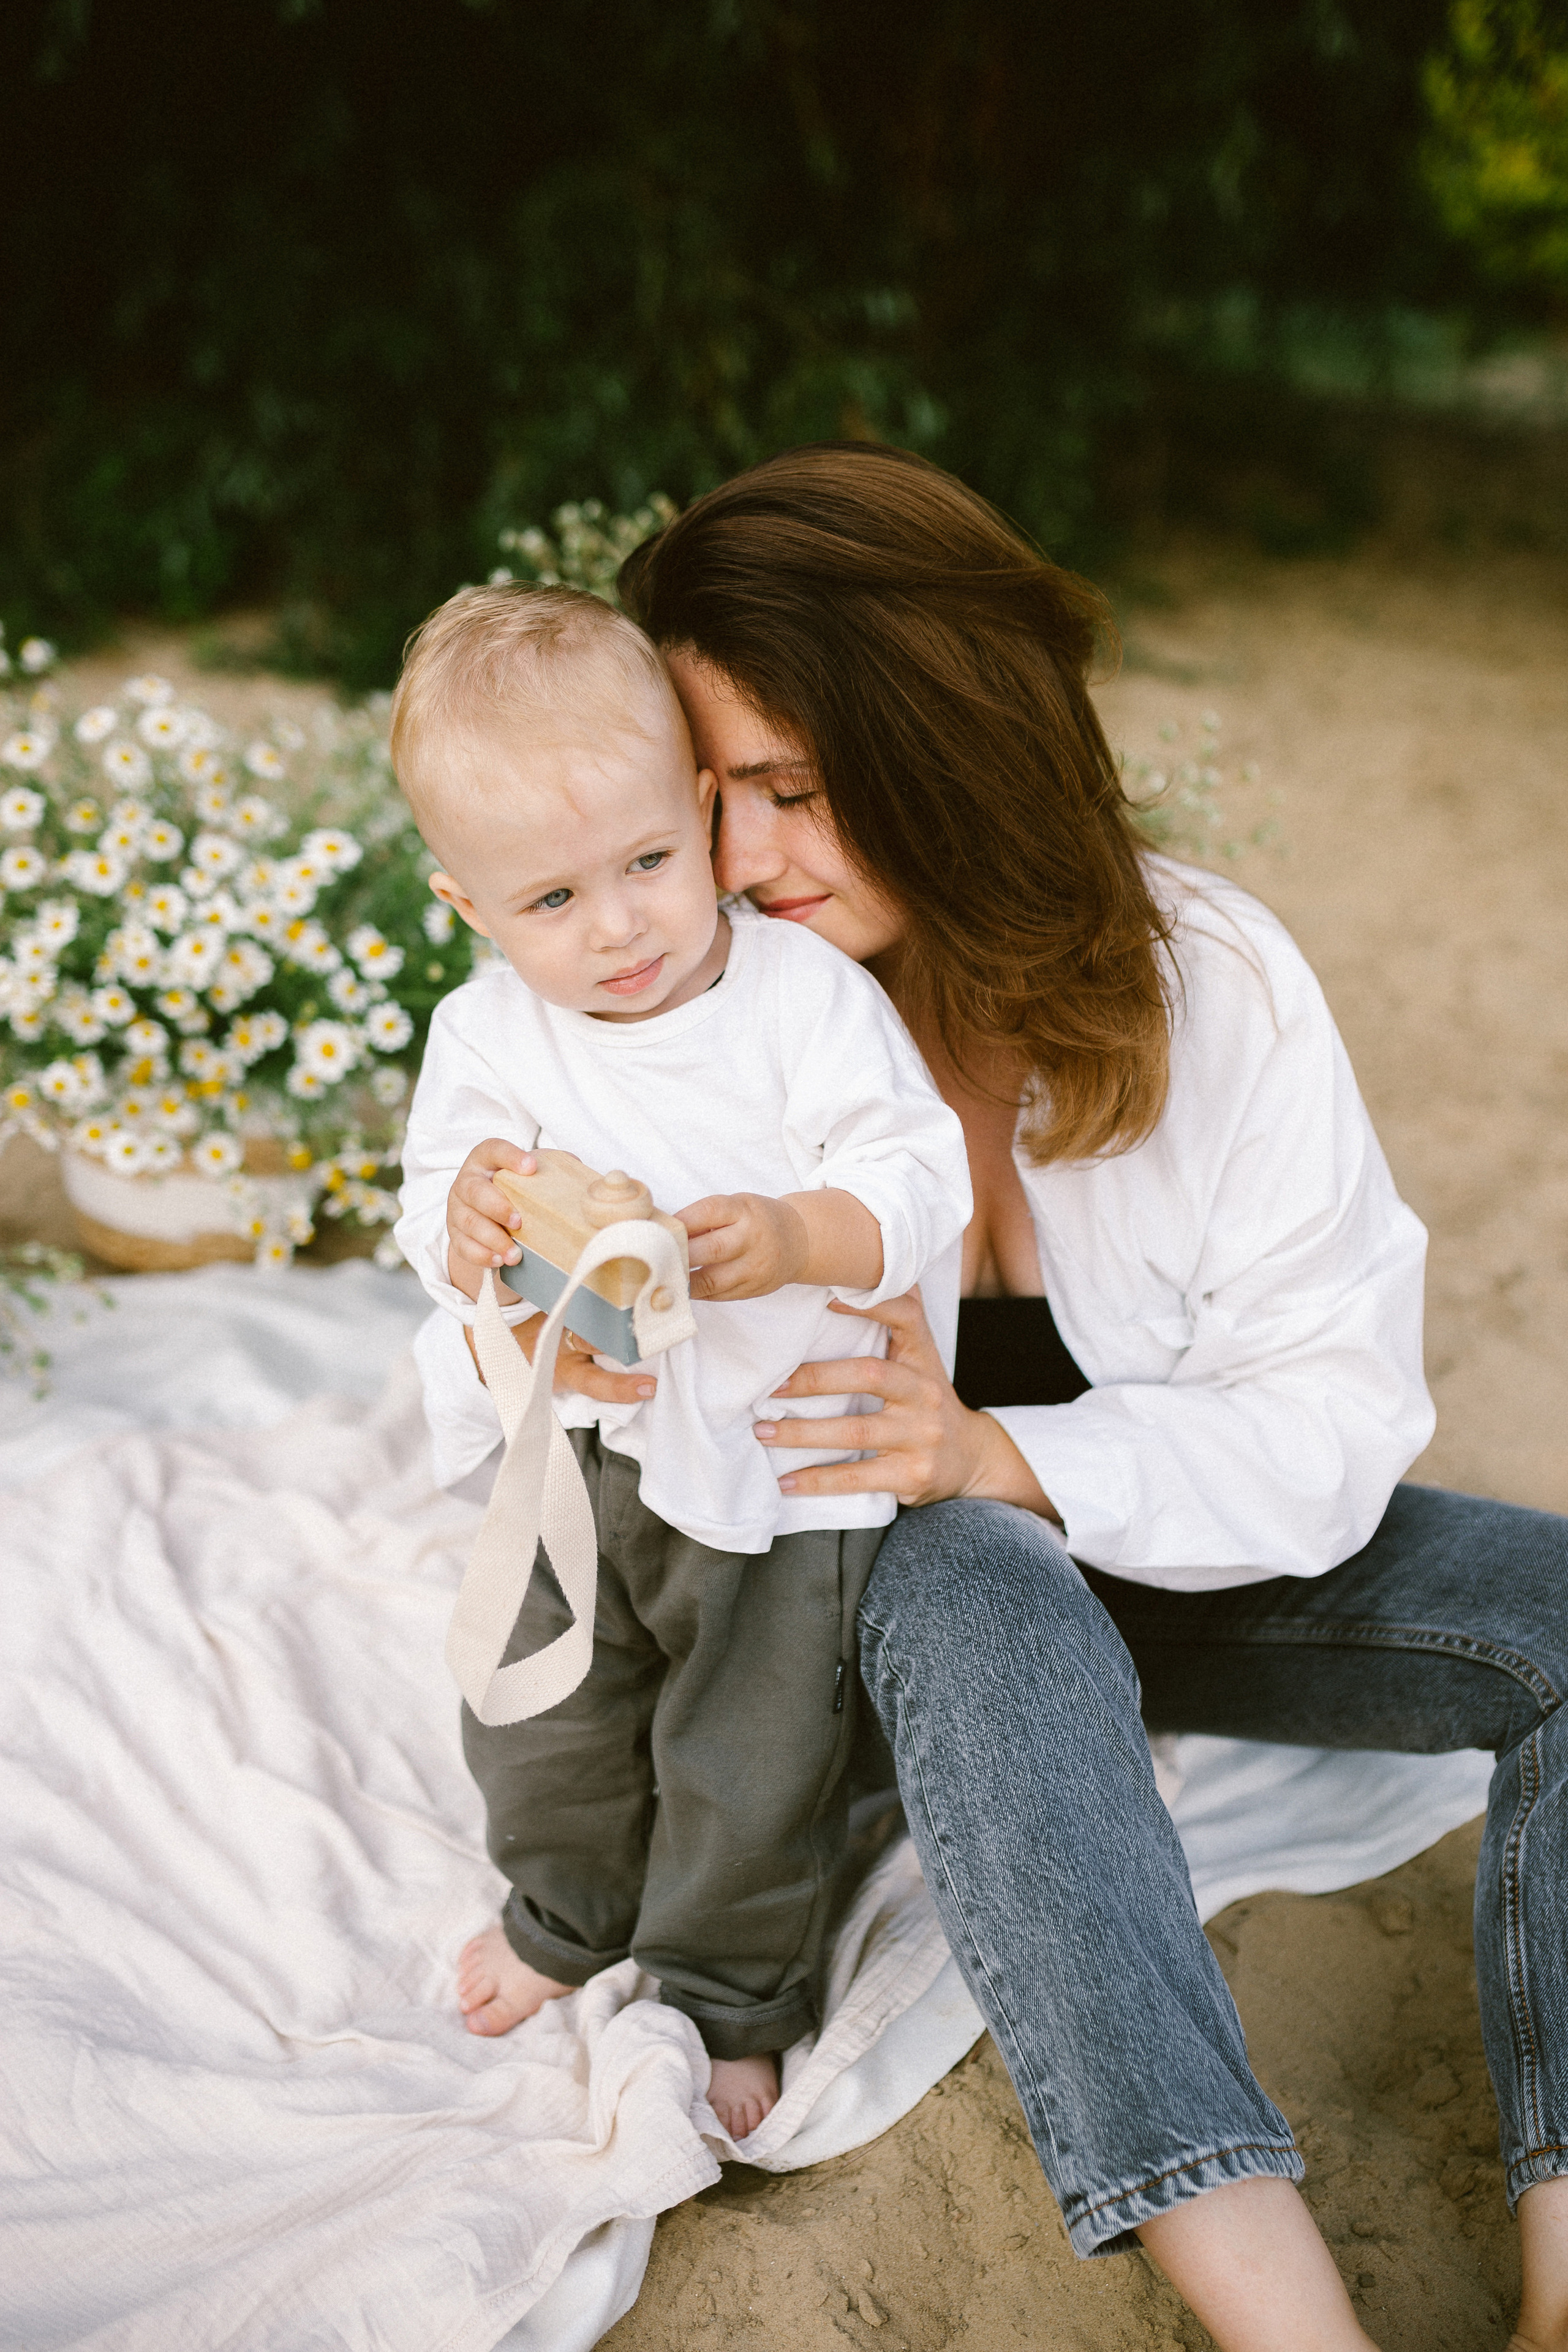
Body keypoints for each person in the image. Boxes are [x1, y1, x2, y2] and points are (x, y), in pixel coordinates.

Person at [575, 441, 1557, 2352]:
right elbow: (595, 1367)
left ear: (945, 744)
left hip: (1204, 1554)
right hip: (883, 1610)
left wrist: (1011, 1445)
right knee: (963, 1564)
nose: (752, 858)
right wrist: (560, 1280)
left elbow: (1338, 1413)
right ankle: (1287, 2319)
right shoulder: (692, 1025)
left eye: (796, 787)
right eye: (718, 803)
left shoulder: (1213, 986)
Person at [389, 581, 971, 2141]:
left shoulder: (801, 1004)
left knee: (752, 1740)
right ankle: (565, 1913)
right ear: (470, 907)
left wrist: (799, 1236)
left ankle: (725, 1984)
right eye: (552, 902)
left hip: (781, 1462)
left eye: (650, 861)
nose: (621, 926)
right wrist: (474, 1245)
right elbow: (440, 1209)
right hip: (578, 1449)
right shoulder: (493, 1034)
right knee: (543, 1709)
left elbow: (919, 1178)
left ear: (702, 809)